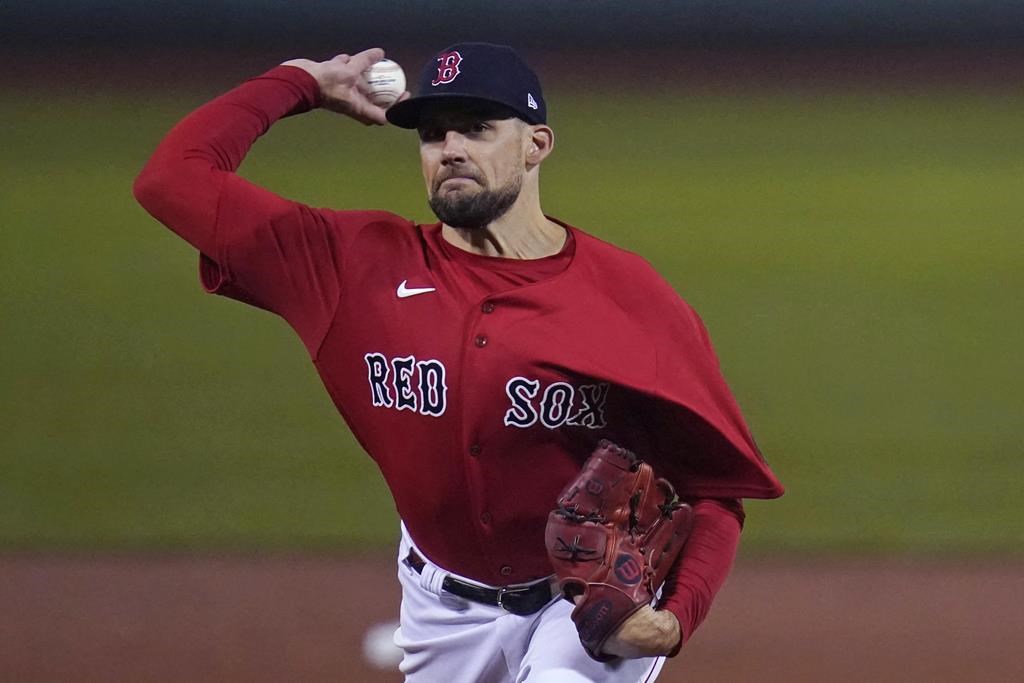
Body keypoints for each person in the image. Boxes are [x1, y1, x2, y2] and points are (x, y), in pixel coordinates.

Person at [134, 42, 783, 683]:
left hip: (584, 608)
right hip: (439, 615)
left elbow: (715, 486)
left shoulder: (629, 295)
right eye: (433, 134)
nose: (450, 149)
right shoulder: (348, 265)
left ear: (537, 144)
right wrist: (299, 82)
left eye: (476, 128)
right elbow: (171, 179)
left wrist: (674, 620)